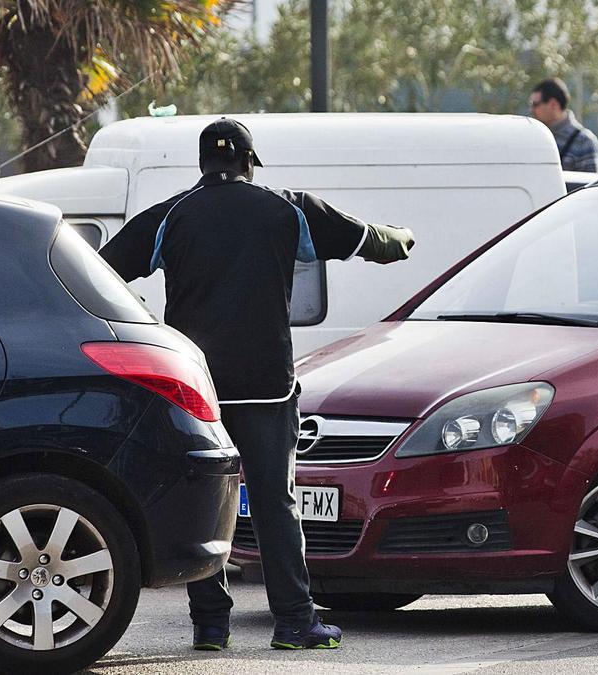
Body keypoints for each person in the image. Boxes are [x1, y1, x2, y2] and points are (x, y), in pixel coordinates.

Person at [99, 118, 414, 652]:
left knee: (204, 501)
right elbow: (369, 241)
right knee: (275, 504)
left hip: (197, 391)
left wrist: (147, 332)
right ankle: (294, 622)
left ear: (203, 165)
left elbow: (103, 271)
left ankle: (211, 626)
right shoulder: (283, 208)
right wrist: (402, 239)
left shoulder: (171, 216)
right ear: (248, 162)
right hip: (266, 389)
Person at [528, 78, 598, 173]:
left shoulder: (584, 141)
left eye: (535, 104)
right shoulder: (532, 138)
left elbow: (590, 185)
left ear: (554, 105)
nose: (531, 110)